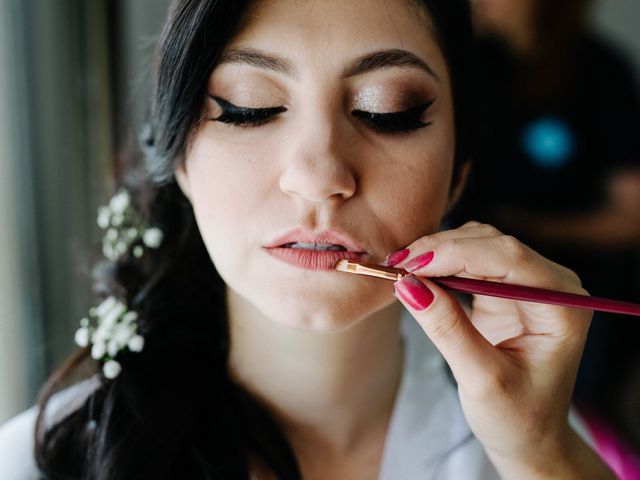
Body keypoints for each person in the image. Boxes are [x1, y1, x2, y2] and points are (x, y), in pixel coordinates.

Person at [0, 0, 622, 478]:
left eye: (387, 110)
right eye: (248, 108)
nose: (320, 177)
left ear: (459, 169)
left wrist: (542, 457)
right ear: (180, 157)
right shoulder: (44, 461)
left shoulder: (545, 445)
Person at [457, 0, 640, 453]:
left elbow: (630, 219)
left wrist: (524, 228)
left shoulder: (601, 71)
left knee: (565, 424)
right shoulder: (472, 65)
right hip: (473, 286)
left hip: (579, 294)